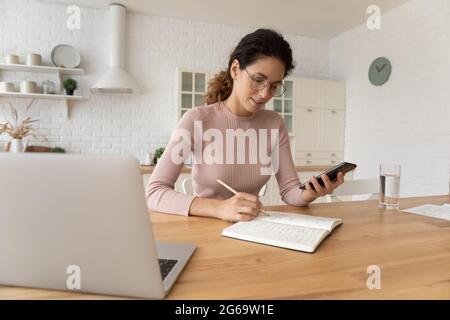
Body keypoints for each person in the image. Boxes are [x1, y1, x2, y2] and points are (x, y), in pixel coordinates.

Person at [146, 28, 345, 222]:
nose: (265, 94)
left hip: (252, 229)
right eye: (258, 80)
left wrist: (310, 193)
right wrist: (219, 208)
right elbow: (155, 192)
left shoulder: (274, 124)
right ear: (235, 70)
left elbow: (289, 191)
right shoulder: (196, 120)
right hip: (206, 231)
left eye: (274, 86)